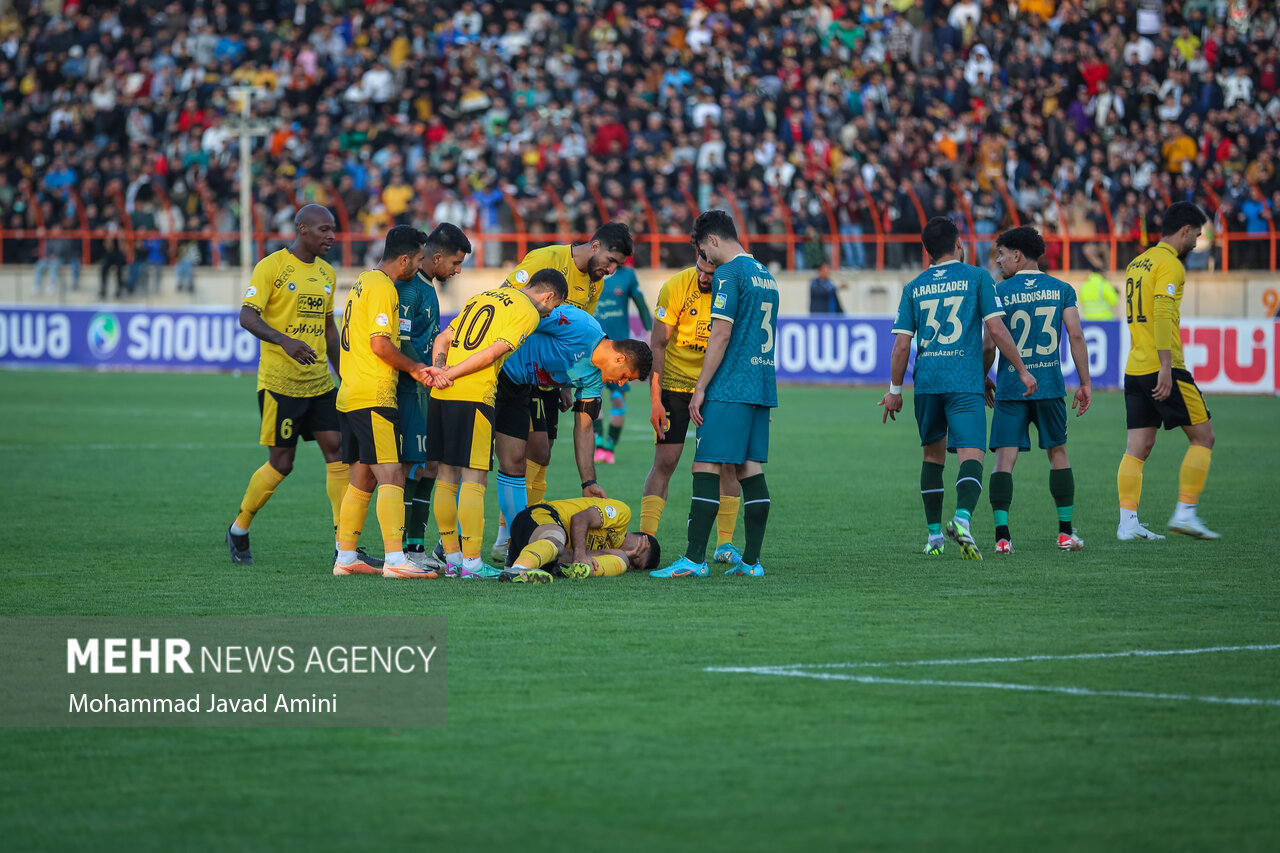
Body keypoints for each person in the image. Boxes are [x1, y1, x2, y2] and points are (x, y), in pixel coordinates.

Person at [879, 216, 1037, 561]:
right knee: (972, 455)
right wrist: (1020, 371)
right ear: (958, 245)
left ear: (927, 252)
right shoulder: (979, 277)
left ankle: (934, 536)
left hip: (927, 382)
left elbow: (902, 347)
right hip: (964, 383)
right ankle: (962, 519)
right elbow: (993, 335)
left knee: (932, 457)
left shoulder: (914, 287)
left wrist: (894, 390)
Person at [494, 222, 634, 556]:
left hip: (547, 376)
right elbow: (506, 299)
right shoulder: (548, 258)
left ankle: (524, 530)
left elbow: (577, 334)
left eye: (616, 267)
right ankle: (506, 534)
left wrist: (565, 380)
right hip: (514, 366)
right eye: (611, 260)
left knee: (541, 453)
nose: (610, 270)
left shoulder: (594, 284)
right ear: (596, 244)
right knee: (504, 455)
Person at [651, 210, 777, 579]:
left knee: (704, 464)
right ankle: (751, 562)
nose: (707, 259)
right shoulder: (766, 275)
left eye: (705, 250)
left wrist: (701, 388)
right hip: (760, 383)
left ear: (713, 240)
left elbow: (720, 335)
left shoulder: (729, 273)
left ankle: (693, 560)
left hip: (731, 384)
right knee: (748, 468)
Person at [227, 204, 351, 567]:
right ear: (303, 229)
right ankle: (239, 528)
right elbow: (247, 316)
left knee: (338, 451)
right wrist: (285, 341)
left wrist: (343, 372)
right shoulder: (272, 267)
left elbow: (329, 329)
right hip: (280, 383)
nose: (331, 236)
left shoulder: (327, 273)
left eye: (333, 230)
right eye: (324, 230)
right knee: (282, 464)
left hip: (318, 383)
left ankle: (344, 544)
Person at [427, 269, 567, 578]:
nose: (551, 313)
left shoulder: (483, 296)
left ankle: (452, 561)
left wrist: (440, 369)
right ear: (548, 297)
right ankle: (473, 563)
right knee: (474, 480)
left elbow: (443, 337)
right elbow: (493, 353)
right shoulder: (527, 312)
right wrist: (454, 374)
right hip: (474, 395)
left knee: (447, 478)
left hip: (441, 394)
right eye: (554, 307)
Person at [493, 303, 652, 558]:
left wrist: (589, 482)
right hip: (495, 371)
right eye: (625, 376)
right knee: (470, 463)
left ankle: (513, 540)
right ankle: (455, 548)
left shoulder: (594, 380)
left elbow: (585, 427)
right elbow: (526, 315)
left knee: (518, 460)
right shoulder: (580, 326)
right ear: (620, 358)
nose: (621, 383)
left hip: (520, 387)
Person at [332, 225, 440, 578]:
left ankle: (346, 557)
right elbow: (380, 344)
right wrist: (414, 367)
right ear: (405, 259)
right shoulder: (383, 289)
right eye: (420, 259)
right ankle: (397, 560)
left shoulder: (363, 281)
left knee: (362, 478)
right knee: (392, 473)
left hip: (350, 393)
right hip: (374, 394)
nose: (420, 265)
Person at [983, 226, 1092, 554]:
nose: (998, 261)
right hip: (1049, 386)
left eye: (1001, 254)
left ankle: (1002, 539)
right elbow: (1075, 336)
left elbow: (990, 342)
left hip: (1011, 388)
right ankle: (1064, 534)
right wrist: (1085, 383)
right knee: (1057, 454)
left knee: (1005, 460)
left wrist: (982, 375)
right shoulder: (1061, 289)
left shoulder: (998, 291)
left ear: (1017, 255)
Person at [1116, 202, 1218, 541]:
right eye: (1198, 234)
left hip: (1135, 366)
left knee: (1138, 447)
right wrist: (1164, 366)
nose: (1198, 240)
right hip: (1164, 367)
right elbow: (1160, 314)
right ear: (1185, 230)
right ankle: (1186, 513)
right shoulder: (1170, 265)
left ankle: (1127, 523)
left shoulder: (1137, 262)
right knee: (1204, 437)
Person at [640, 255, 745, 566]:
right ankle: (646, 541)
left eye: (711, 273)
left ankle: (724, 545)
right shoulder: (675, 287)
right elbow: (657, 344)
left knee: (727, 463)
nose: (704, 276)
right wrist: (655, 399)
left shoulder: (733, 290)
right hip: (673, 385)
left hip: (715, 387)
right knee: (666, 461)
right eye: (700, 268)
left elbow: (738, 345)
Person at [396, 223, 470, 568]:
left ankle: (415, 547)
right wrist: (422, 371)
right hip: (410, 389)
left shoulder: (427, 287)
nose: (457, 271)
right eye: (455, 264)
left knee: (430, 465)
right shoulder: (409, 290)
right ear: (436, 257)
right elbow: (401, 339)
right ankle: (404, 551)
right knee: (412, 466)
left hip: (426, 388)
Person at [497, 498, 660, 584]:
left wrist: (626, 555)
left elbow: (579, 553)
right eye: (636, 561)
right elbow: (580, 519)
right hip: (540, 518)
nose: (631, 566)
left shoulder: (613, 551)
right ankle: (517, 569)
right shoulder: (622, 514)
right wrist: (580, 555)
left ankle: (562, 570)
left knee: (620, 557)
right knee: (557, 543)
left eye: (634, 569)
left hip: (543, 553)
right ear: (643, 541)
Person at [592, 260, 653, 464]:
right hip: (597, 349)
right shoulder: (592, 273)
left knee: (618, 400)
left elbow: (641, 305)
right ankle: (598, 444)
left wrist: (649, 331)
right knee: (594, 398)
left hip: (621, 354)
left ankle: (609, 447)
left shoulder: (627, 276)